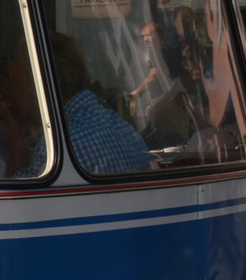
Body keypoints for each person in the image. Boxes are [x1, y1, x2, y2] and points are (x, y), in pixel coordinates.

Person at [17, 34, 151, 177]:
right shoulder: (124, 128)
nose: (11, 91)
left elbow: (18, 197)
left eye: (15, 78)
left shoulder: (56, 150)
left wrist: (13, 142)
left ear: (37, 84)